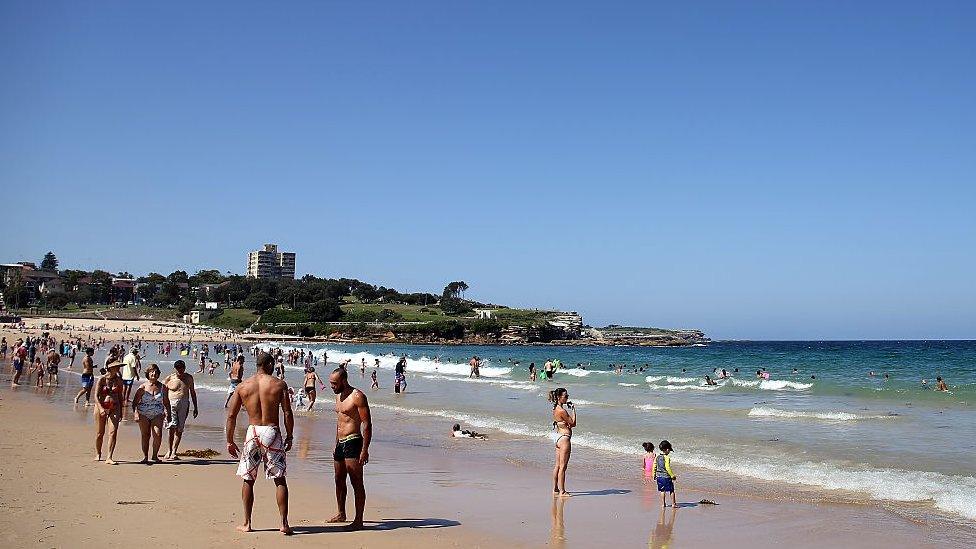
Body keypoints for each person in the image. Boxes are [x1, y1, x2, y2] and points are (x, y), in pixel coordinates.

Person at [226, 351, 294, 535]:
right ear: (270, 364)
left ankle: (247, 523)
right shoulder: (279, 384)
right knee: (279, 478)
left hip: (253, 432)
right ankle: (284, 523)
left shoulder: (243, 386)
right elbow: (287, 413)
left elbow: (231, 415)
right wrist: (290, 436)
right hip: (271, 432)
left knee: (248, 478)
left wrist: (230, 440)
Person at [327, 368, 372, 530]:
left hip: (353, 441)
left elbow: (367, 424)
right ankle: (341, 513)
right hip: (340, 442)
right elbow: (340, 422)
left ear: (343, 381)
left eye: (334, 383)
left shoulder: (358, 396)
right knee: (338, 479)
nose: (331, 386)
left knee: (356, 481)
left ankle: (359, 520)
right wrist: (335, 442)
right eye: (331, 383)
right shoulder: (338, 396)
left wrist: (365, 449)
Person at [132, 364, 168, 463]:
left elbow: (166, 402)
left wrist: (168, 413)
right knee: (145, 435)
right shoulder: (143, 387)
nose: (154, 374)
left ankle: (155, 456)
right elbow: (134, 403)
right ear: (148, 374)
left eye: (156, 372)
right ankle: (145, 457)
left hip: (157, 413)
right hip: (143, 413)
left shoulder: (162, 387)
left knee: (158, 434)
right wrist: (136, 413)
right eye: (152, 372)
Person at [163, 360, 198, 460]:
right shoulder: (169, 378)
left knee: (179, 428)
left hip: (184, 403)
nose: (180, 370)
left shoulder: (189, 378)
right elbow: (163, 393)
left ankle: (174, 451)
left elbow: (193, 393)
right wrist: (164, 407)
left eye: (182, 368)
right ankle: (169, 450)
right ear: (175, 368)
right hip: (171, 404)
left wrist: (195, 407)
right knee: (171, 427)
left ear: (184, 368)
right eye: (178, 368)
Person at [94, 360, 125, 464]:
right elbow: (96, 396)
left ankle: (109, 457)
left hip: (114, 407)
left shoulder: (119, 380)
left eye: (119, 367)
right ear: (110, 367)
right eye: (116, 366)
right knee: (100, 433)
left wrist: (121, 411)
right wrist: (101, 408)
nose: (118, 368)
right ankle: (98, 453)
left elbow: (121, 396)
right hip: (101, 406)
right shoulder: (102, 379)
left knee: (113, 432)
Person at [549, 388, 576, 496]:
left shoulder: (555, 409)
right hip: (564, 439)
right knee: (563, 467)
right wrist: (573, 410)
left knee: (557, 466)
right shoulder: (562, 411)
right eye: (566, 396)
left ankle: (555, 488)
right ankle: (562, 491)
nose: (567, 398)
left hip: (558, 437)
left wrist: (566, 423)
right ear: (559, 397)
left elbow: (562, 423)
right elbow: (573, 423)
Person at [652, 440, 677, 508]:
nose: (669, 452)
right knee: (671, 490)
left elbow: (654, 466)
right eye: (669, 450)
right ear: (667, 449)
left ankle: (663, 504)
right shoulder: (667, 457)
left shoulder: (657, 457)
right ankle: (673, 504)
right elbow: (667, 467)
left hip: (659, 477)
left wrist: (653, 475)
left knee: (662, 491)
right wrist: (672, 475)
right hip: (666, 477)